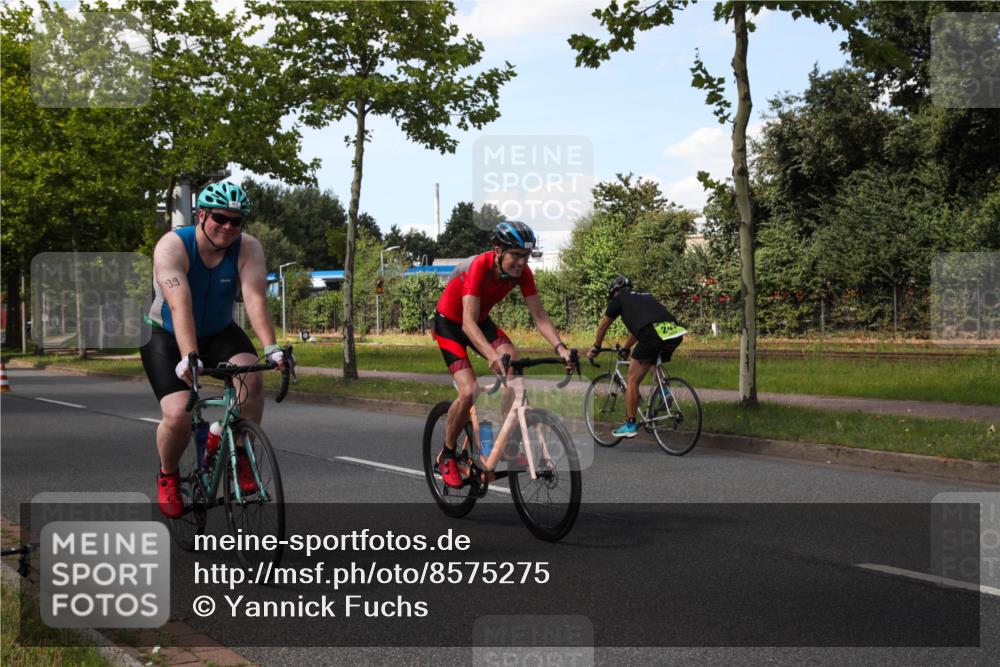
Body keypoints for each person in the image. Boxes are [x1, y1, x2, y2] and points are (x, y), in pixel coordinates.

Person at [141, 181, 286, 519]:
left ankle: (240, 454)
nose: (228, 227)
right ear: (201, 214)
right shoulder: (172, 247)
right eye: (220, 218)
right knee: (179, 414)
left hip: (220, 331)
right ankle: (168, 475)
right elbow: (180, 306)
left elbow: (254, 298)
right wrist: (190, 357)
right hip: (166, 335)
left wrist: (272, 347)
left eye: (237, 221)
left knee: (252, 377)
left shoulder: (248, 247)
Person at [432, 221, 575, 487]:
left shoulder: (523, 274)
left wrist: (561, 348)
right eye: (517, 256)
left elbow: (540, 316)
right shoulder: (480, 266)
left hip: (480, 321)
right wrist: (490, 354)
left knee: (514, 365)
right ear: (498, 250)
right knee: (468, 391)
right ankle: (448, 454)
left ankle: (507, 443)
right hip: (450, 323)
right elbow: (466, 323)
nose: (522, 263)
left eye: (526, 256)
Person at [587, 276, 686, 438]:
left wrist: (596, 347)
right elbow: (638, 330)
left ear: (614, 291)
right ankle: (664, 392)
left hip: (651, 335)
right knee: (650, 358)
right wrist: (626, 348)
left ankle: (630, 424)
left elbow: (604, 325)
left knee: (632, 379)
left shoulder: (618, 299)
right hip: (674, 332)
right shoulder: (644, 295)